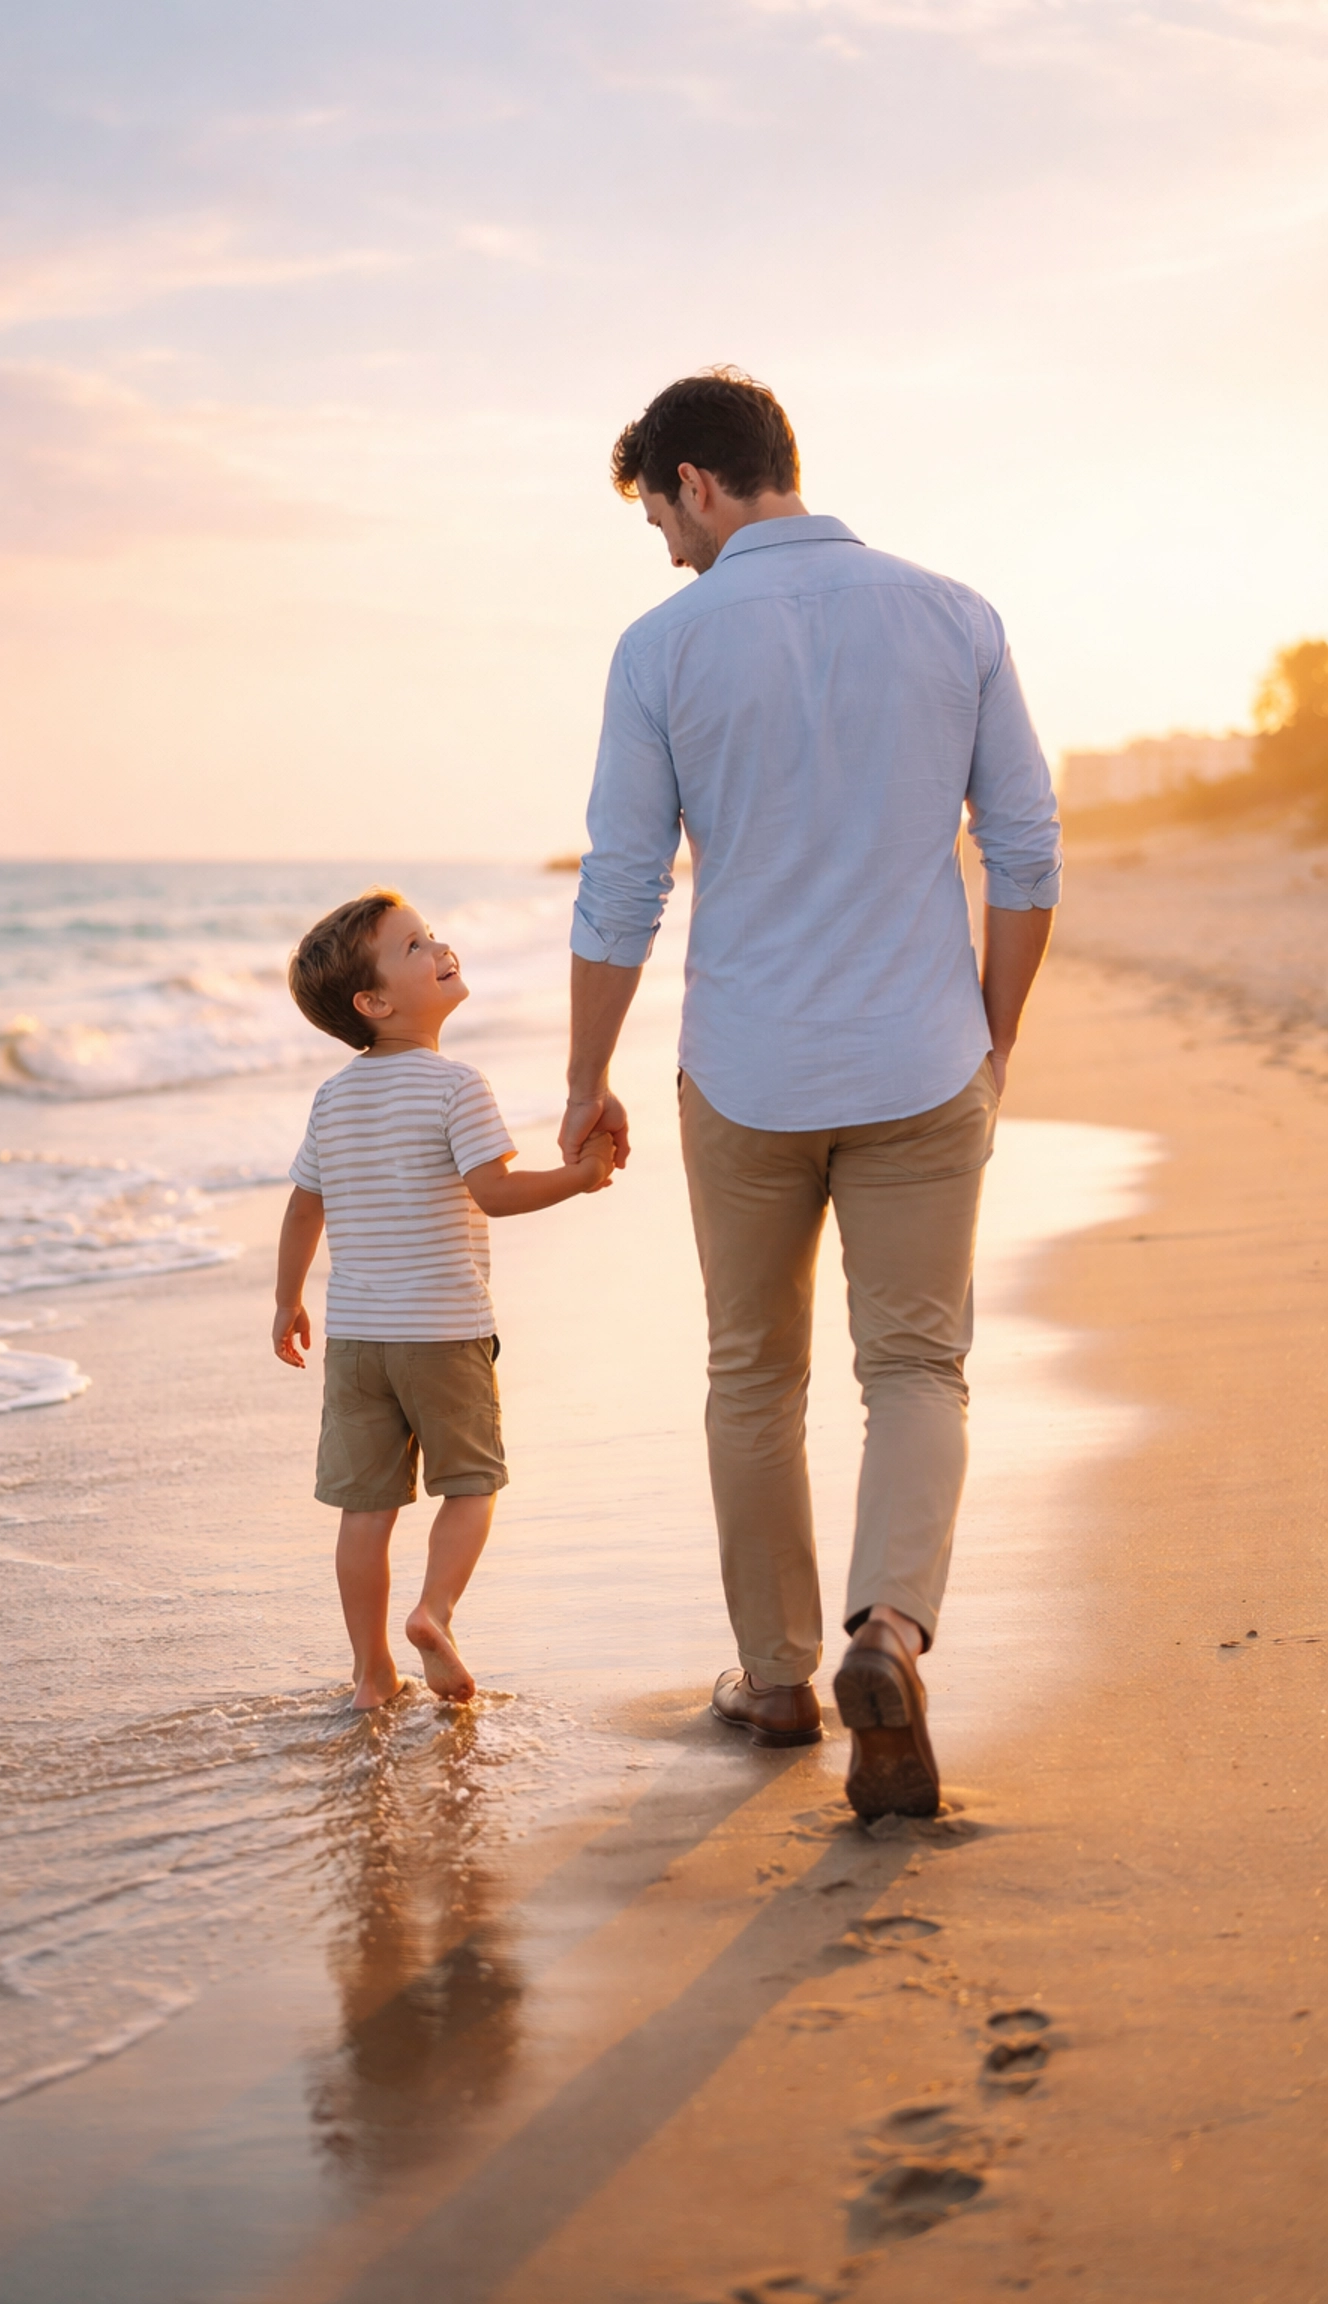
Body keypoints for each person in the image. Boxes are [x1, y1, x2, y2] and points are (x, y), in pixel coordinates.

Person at [561, 370, 1061, 1819]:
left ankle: (777, 1679)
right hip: (920, 1060)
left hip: (749, 1073)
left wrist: (587, 1079)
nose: (665, 546)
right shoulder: (955, 614)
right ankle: (887, 1632)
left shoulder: (664, 645)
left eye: (660, 515)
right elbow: (1025, 852)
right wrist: (994, 1035)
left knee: (752, 1375)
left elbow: (620, 888)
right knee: (914, 1367)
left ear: (697, 482)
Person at [274, 889, 616, 1711]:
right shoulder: (456, 1085)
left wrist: (287, 1299)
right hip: (444, 1331)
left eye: (431, 936)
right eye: (414, 946)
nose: (439, 947)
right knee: (471, 1485)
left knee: (365, 1509)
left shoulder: (333, 1098)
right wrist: (578, 1178)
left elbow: (303, 1205)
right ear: (376, 1002)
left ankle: (370, 1673)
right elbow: (494, 1193)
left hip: (358, 1342)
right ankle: (432, 1612)